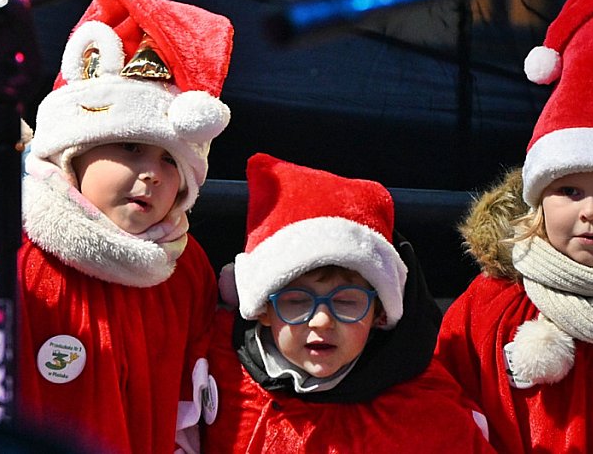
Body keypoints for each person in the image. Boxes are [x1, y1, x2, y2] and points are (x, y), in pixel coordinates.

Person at [15, 0, 233, 453]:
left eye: (171, 161)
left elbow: (187, 413)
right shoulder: (15, 252)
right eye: (131, 147)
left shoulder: (185, 268)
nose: (151, 175)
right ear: (73, 150)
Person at [435, 0, 593, 452]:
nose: (590, 211)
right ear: (538, 202)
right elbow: (447, 413)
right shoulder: (489, 306)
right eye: (569, 191)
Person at [202, 153, 495, 453]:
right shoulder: (221, 370)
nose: (321, 321)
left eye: (346, 302)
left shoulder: (423, 410)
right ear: (263, 308)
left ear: (380, 312)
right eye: (297, 301)